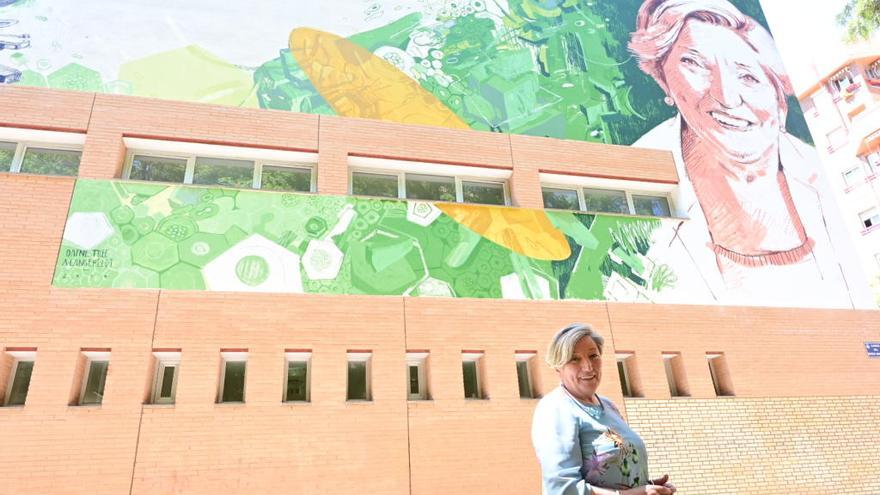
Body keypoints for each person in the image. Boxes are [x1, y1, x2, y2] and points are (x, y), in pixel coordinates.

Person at [627, 0, 872, 309]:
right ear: (664, 79)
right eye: (695, 64)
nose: (727, 96)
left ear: (778, 97)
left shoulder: (820, 179)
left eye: (748, 76)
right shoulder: (638, 178)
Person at [532, 323, 676, 495]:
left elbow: (616, 468)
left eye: (593, 356)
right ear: (558, 366)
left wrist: (648, 485)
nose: (588, 366)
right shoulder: (555, 409)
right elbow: (562, 489)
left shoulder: (608, 406)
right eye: (574, 359)